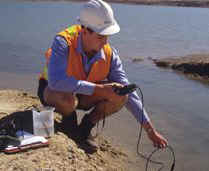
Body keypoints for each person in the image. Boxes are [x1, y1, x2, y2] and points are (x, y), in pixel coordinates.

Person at [38, 0, 168, 152]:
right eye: (101, 37)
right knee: (66, 99)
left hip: (82, 95)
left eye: (107, 36)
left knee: (121, 95)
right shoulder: (63, 42)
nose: (105, 41)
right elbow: (56, 82)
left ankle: (85, 128)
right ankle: (69, 123)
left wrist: (150, 130)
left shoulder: (110, 54)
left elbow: (129, 94)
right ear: (85, 30)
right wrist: (100, 89)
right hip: (53, 92)